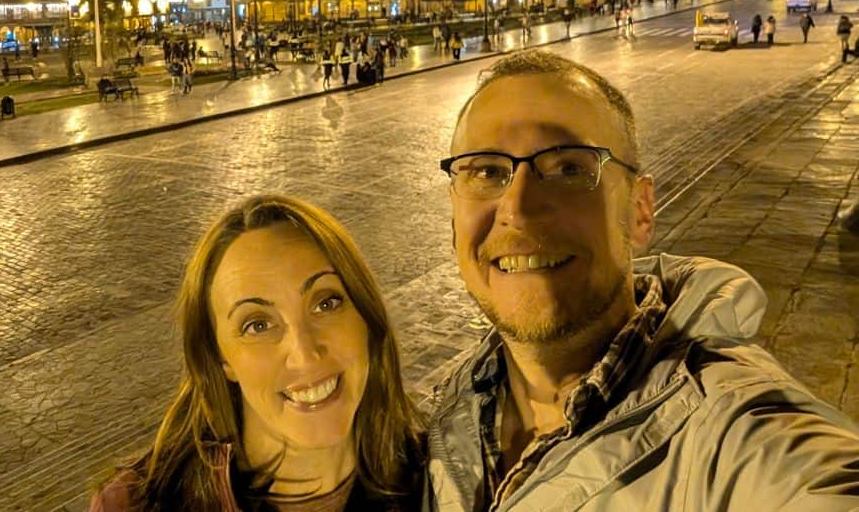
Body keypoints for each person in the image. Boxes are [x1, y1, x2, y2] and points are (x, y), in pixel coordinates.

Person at [425, 50, 859, 510]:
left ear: (639, 211)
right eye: (487, 171)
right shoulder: (455, 409)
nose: (517, 209)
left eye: (569, 168)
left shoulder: (740, 437)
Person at [89, 195, 427, 510]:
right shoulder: (134, 504)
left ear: (366, 316)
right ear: (221, 359)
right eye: (258, 325)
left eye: (326, 303)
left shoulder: (447, 482)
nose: (304, 353)